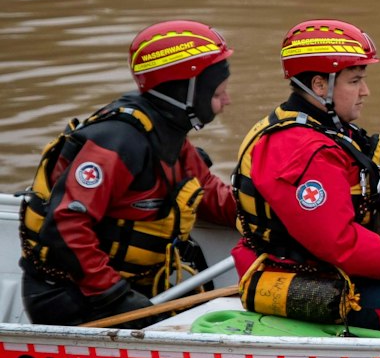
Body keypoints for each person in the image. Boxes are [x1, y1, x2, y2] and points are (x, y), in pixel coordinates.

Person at [230, 18, 380, 339]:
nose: (365, 91)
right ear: (320, 86)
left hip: (325, 268)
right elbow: (338, 243)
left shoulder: (323, 126)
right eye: (355, 81)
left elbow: (351, 179)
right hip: (295, 278)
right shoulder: (302, 150)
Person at [18, 20, 238, 325]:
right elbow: (66, 226)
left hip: (130, 287)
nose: (226, 101)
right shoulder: (118, 143)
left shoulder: (170, 136)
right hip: (72, 295)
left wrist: (268, 214)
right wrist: (115, 296)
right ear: (188, 91)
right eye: (218, 92)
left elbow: (209, 193)